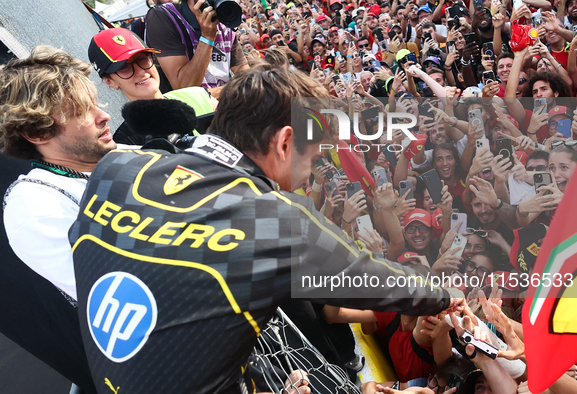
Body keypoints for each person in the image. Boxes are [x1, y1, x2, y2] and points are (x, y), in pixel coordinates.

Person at [70, 65, 465, 393]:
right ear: (285, 142)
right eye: (310, 156)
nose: (308, 174)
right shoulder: (275, 217)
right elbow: (380, 282)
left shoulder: (114, 170)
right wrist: (445, 295)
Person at [0, 45, 118, 394]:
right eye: (83, 109)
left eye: (96, 101)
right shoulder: (33, 207)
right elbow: (116, 294)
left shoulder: (126, 156)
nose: (103, 115)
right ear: (37, 133)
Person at [89, 27, 218, 143]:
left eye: (142, 58)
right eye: (124, 67)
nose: (140, 71)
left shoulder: (197, 95)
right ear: (109, 81)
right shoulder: (126, 143)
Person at [144, 0, 249, 96]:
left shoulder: (224, 15)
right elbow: (185, 88)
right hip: (198, 114)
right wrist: (207, 37)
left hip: (228, 107)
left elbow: (245, 76)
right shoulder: (163, 16)